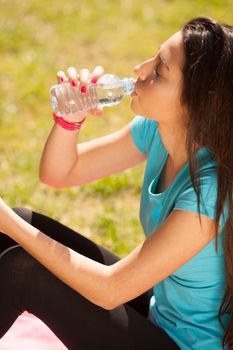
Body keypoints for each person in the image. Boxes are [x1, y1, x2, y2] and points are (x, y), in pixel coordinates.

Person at [0, 16, 232, 350]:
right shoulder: (157, 131)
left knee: (22, 269)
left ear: (195, 103)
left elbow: (112, 290)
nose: (140, 68)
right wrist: (69, 120)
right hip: (160, 316)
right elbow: (60, 173)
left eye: (160, 70)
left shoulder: (208, 194)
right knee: (23, 220)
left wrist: (5, 221)